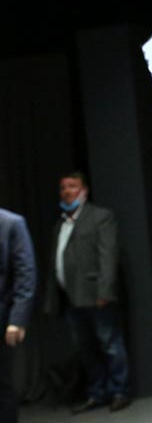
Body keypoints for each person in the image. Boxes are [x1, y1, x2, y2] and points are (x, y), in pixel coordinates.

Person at [42, 172, 131, 413]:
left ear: (84, 190)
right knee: (85, 348)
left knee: (110, 343)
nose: (66, 191)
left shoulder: (100, 217)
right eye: (63, 187)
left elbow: (108, 256)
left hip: (96, 295)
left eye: (72, 186)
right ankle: (97, 392)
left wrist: (105, 291)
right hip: (71, 298)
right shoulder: (61, 224)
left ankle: (120, 390)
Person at [0, 208, 36, 423]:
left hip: (2, 315)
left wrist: (17, 320)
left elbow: (26, 273)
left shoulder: (11, 223)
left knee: (1, 384)